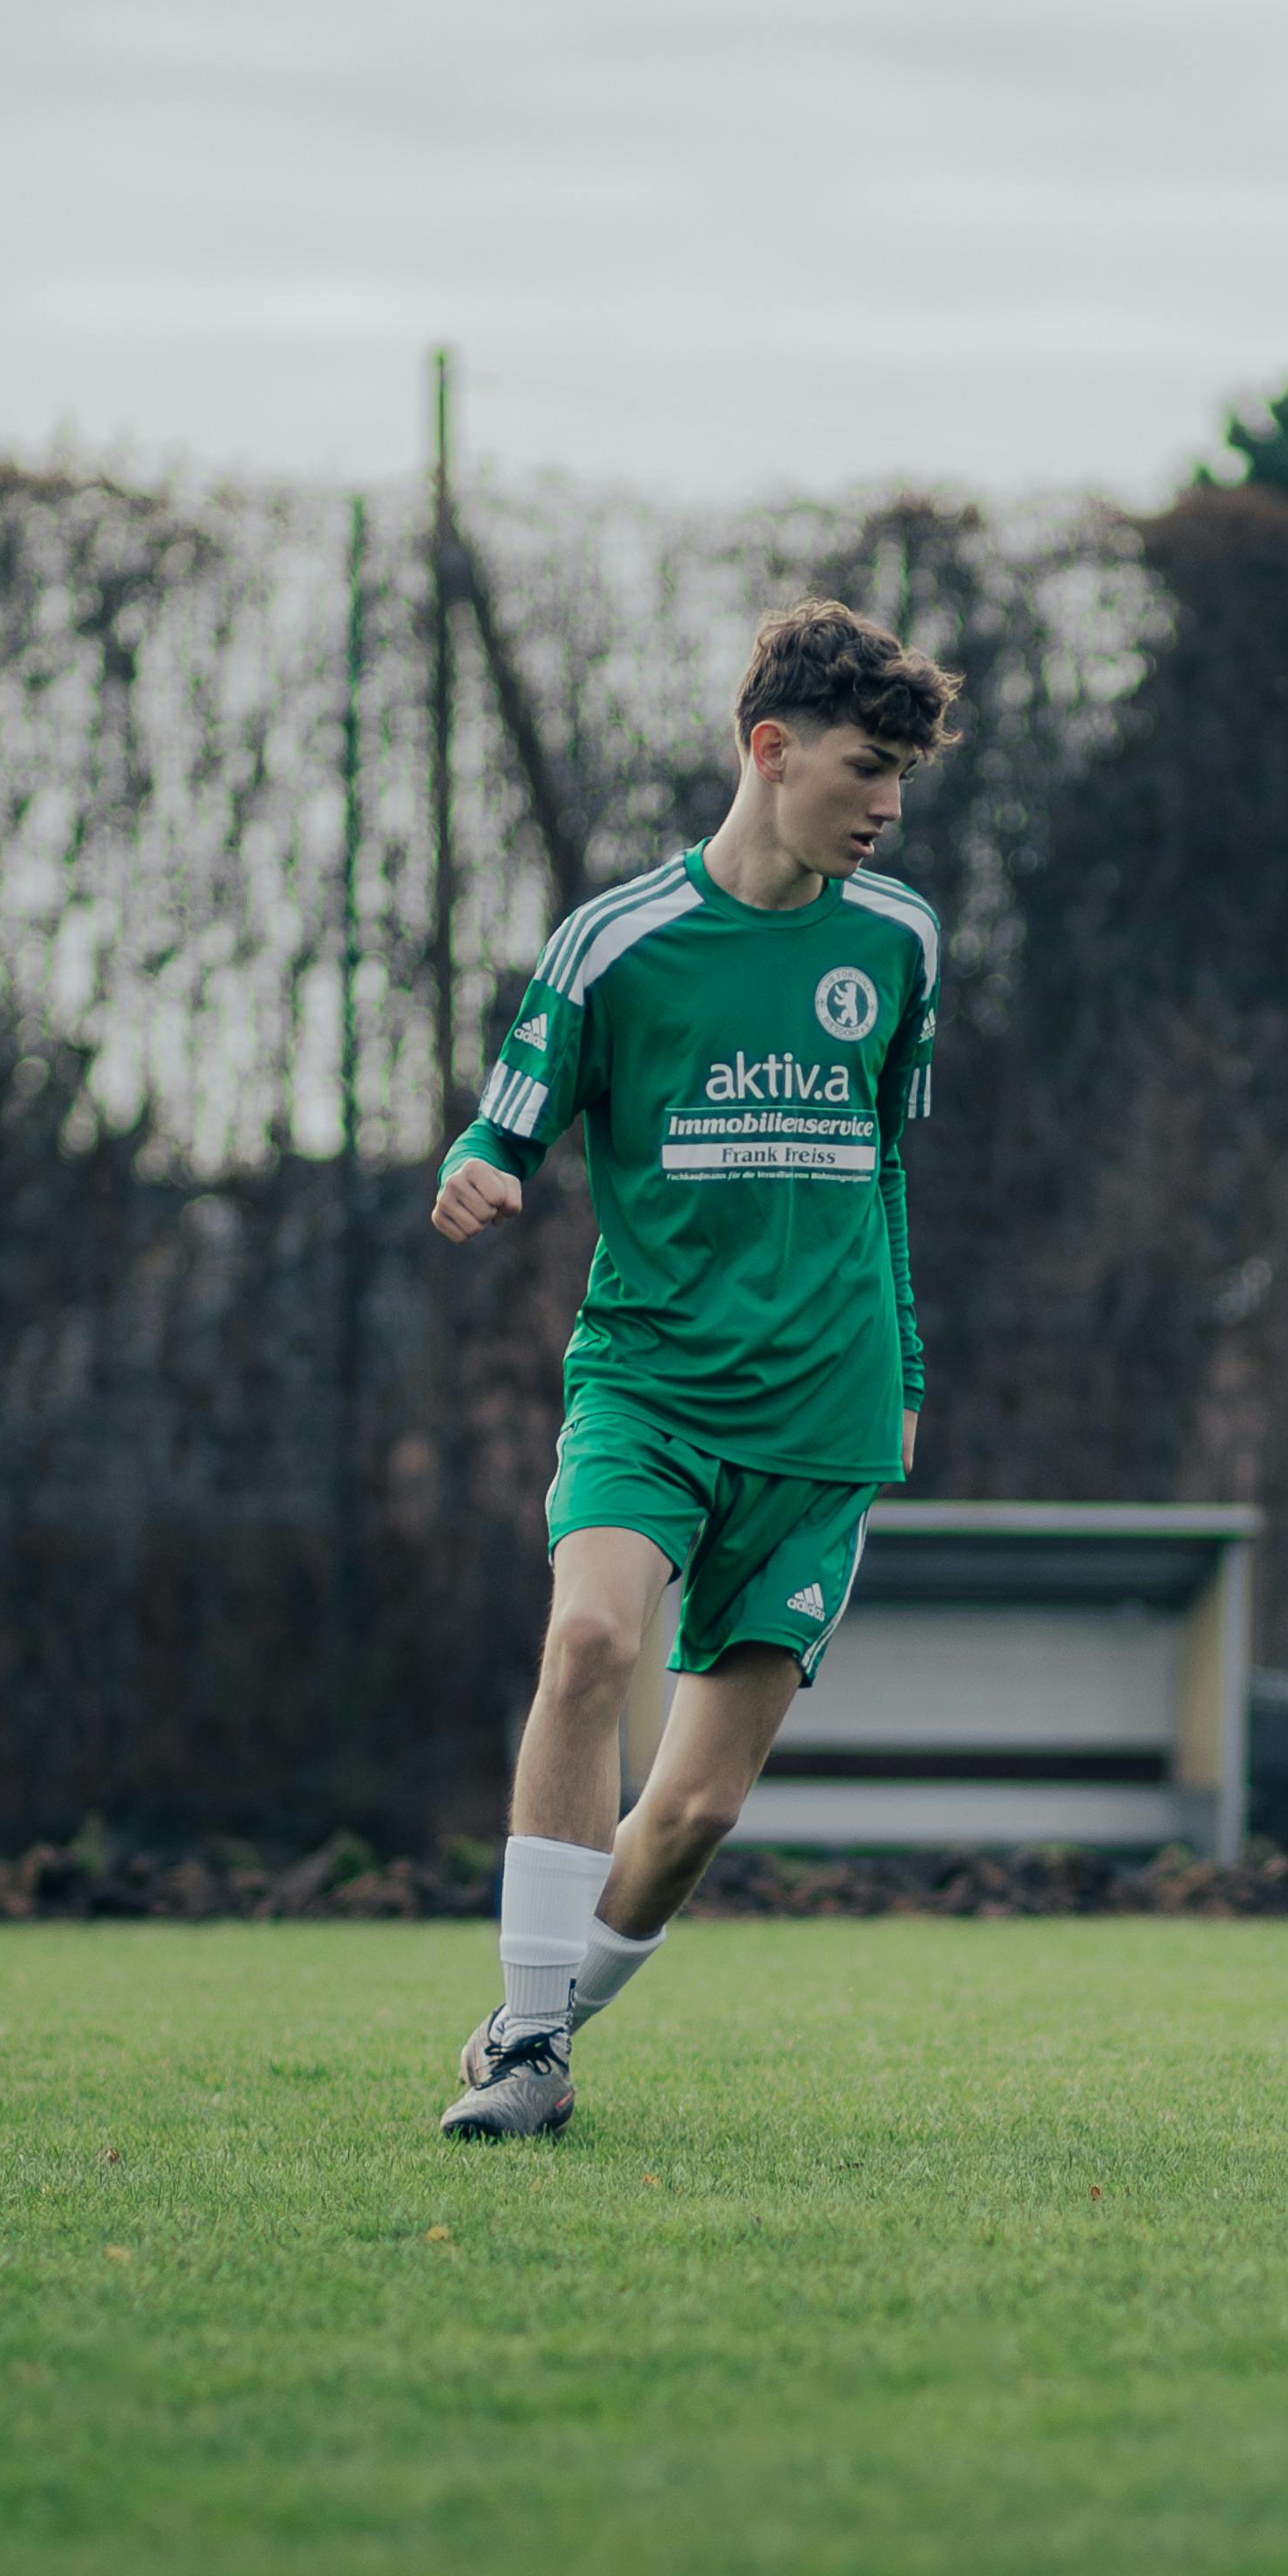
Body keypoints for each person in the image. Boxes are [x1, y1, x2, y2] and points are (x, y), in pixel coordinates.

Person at [429, 595, 956, 2137]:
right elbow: (503, 1119)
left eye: (904, 780)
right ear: (769, 748)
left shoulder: (904, 943)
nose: (889, 806)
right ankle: (531, 2052)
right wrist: (476, 1165)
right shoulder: (617, 942)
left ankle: (533, 2028)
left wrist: (907, 1367)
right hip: (648, 1389)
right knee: (589, 1643)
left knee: (700, 1811)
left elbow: (885, 1177)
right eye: (867, 769)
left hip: (827, 1416)